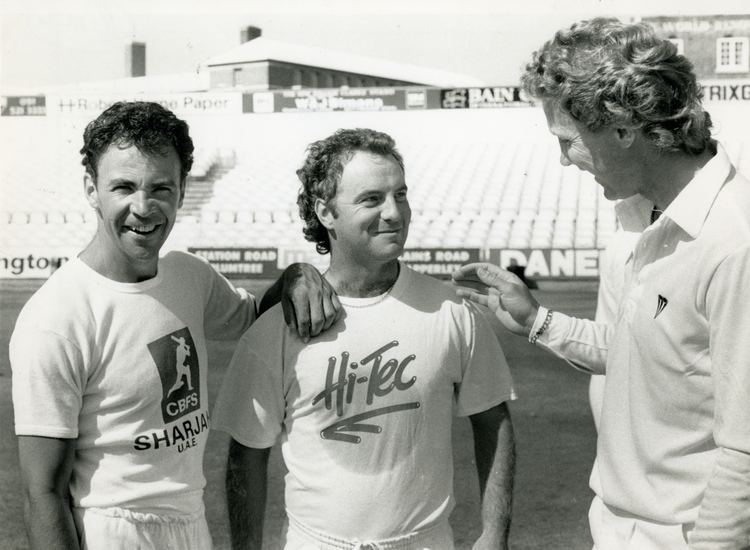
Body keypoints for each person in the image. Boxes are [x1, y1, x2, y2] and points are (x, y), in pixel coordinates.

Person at [453, 18, 750, 550]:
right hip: (617, 525)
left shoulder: (735, 241)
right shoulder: (639, 219)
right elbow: (641, 351)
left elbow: (745, 452)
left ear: (620, 127)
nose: (563, 160)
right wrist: (537, 321)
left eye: (568, 141)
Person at [10, 101, 340, 550]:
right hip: (113, 529)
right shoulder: (56, 318)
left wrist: (295, 274)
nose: (143, 208)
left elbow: (255, 319)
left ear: (183, 191)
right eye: (123, 187)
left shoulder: (190, 276)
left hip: (191, 521)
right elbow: (42, 494)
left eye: (161, 188)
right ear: (92, 189)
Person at [213, 128, 516, 550]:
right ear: (325, 212)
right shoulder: (279, 327)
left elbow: (493, 420)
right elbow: (246, 455)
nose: (394, 213)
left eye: (401, 195)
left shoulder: (451, 311)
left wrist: (494, 533)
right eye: (372, 199)